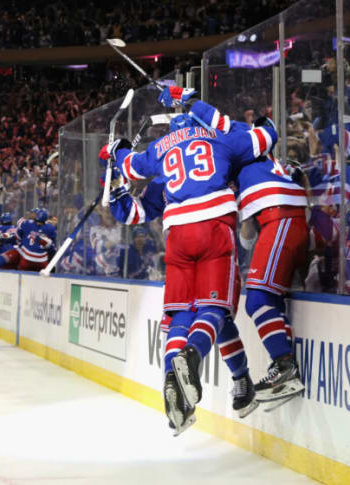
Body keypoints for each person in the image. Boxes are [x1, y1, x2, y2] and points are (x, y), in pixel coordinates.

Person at [104, 86, 278, 434]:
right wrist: (255, 121)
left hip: (178, 236)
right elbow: (265, 137)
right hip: (213, 226)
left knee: (180, 314)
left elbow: (132, 179)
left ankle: (178, 384)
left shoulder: (160, 151)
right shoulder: (220, 140)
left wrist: (117, 161)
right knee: (216, 310)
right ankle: (193, 357)